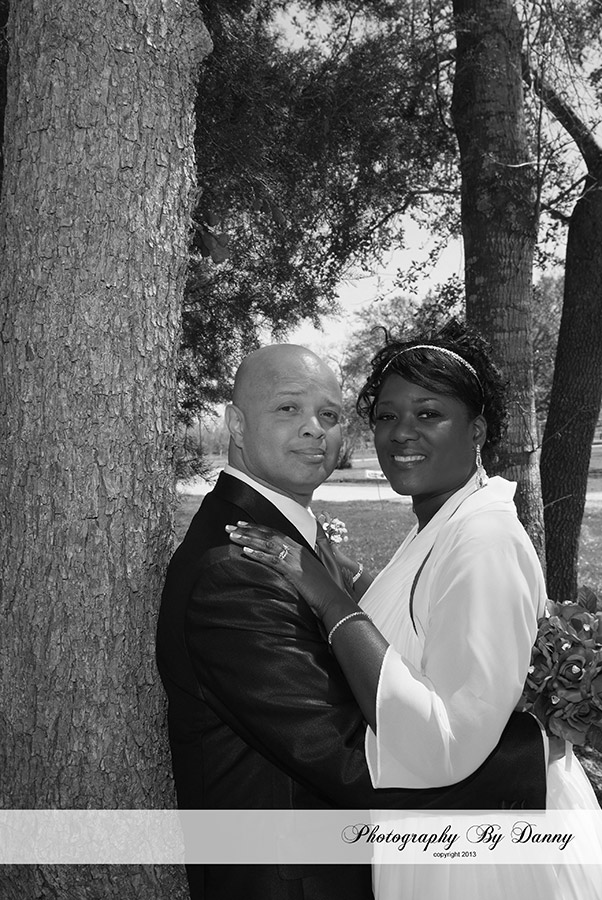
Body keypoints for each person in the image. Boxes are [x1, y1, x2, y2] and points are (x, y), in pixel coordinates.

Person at [157, 342, 547, 900]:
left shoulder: (295, 541)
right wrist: (533, 758)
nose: (314, 429)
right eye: (288, 408)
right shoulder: (235, 570)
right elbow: (344, 759)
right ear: (236, 425)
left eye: (329, 414)